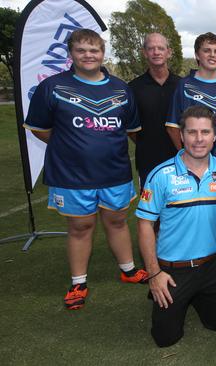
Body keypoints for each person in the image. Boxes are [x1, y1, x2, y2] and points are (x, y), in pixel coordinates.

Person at [23, 29, 147, 310]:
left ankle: (128, 270)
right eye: (81, 50)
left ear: (103, 53)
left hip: (114, 171)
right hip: (72, 175)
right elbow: (41, 129)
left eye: (94, 50)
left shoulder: (120, 89)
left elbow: (131, 130)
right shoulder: (53, 87)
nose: (88, 55)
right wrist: (70, 145)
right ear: (71, 54)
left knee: (117, 220)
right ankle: (78, 282)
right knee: (80, 226)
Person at [136, 106, 216, 347]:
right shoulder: (161, 175)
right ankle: (173, 293)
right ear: (181, 136)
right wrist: (154, 274)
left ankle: (197, 297)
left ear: (215, 136)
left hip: (214, 265)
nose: (199, 139)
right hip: (174, 270)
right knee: (165, 338)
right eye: (192, 132)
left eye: (205, 132)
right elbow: (144, 226)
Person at [167, 32, 216, 166]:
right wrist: (186, 156)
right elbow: (173, 127)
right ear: (197, 55)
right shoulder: (185, 86)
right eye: (207, 50)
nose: (212, 55)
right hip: (195, 166)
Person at [129, 33, 180, 189]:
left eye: (161, 48)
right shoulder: (133, 88)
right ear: (144, 52)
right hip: (147, 162)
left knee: (180, 209)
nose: (156, 52)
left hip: (179, 160)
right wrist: (148, 143)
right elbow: (131, 130)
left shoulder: (182, 85)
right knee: (151, 211)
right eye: (151, 48)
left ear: (169, 52)